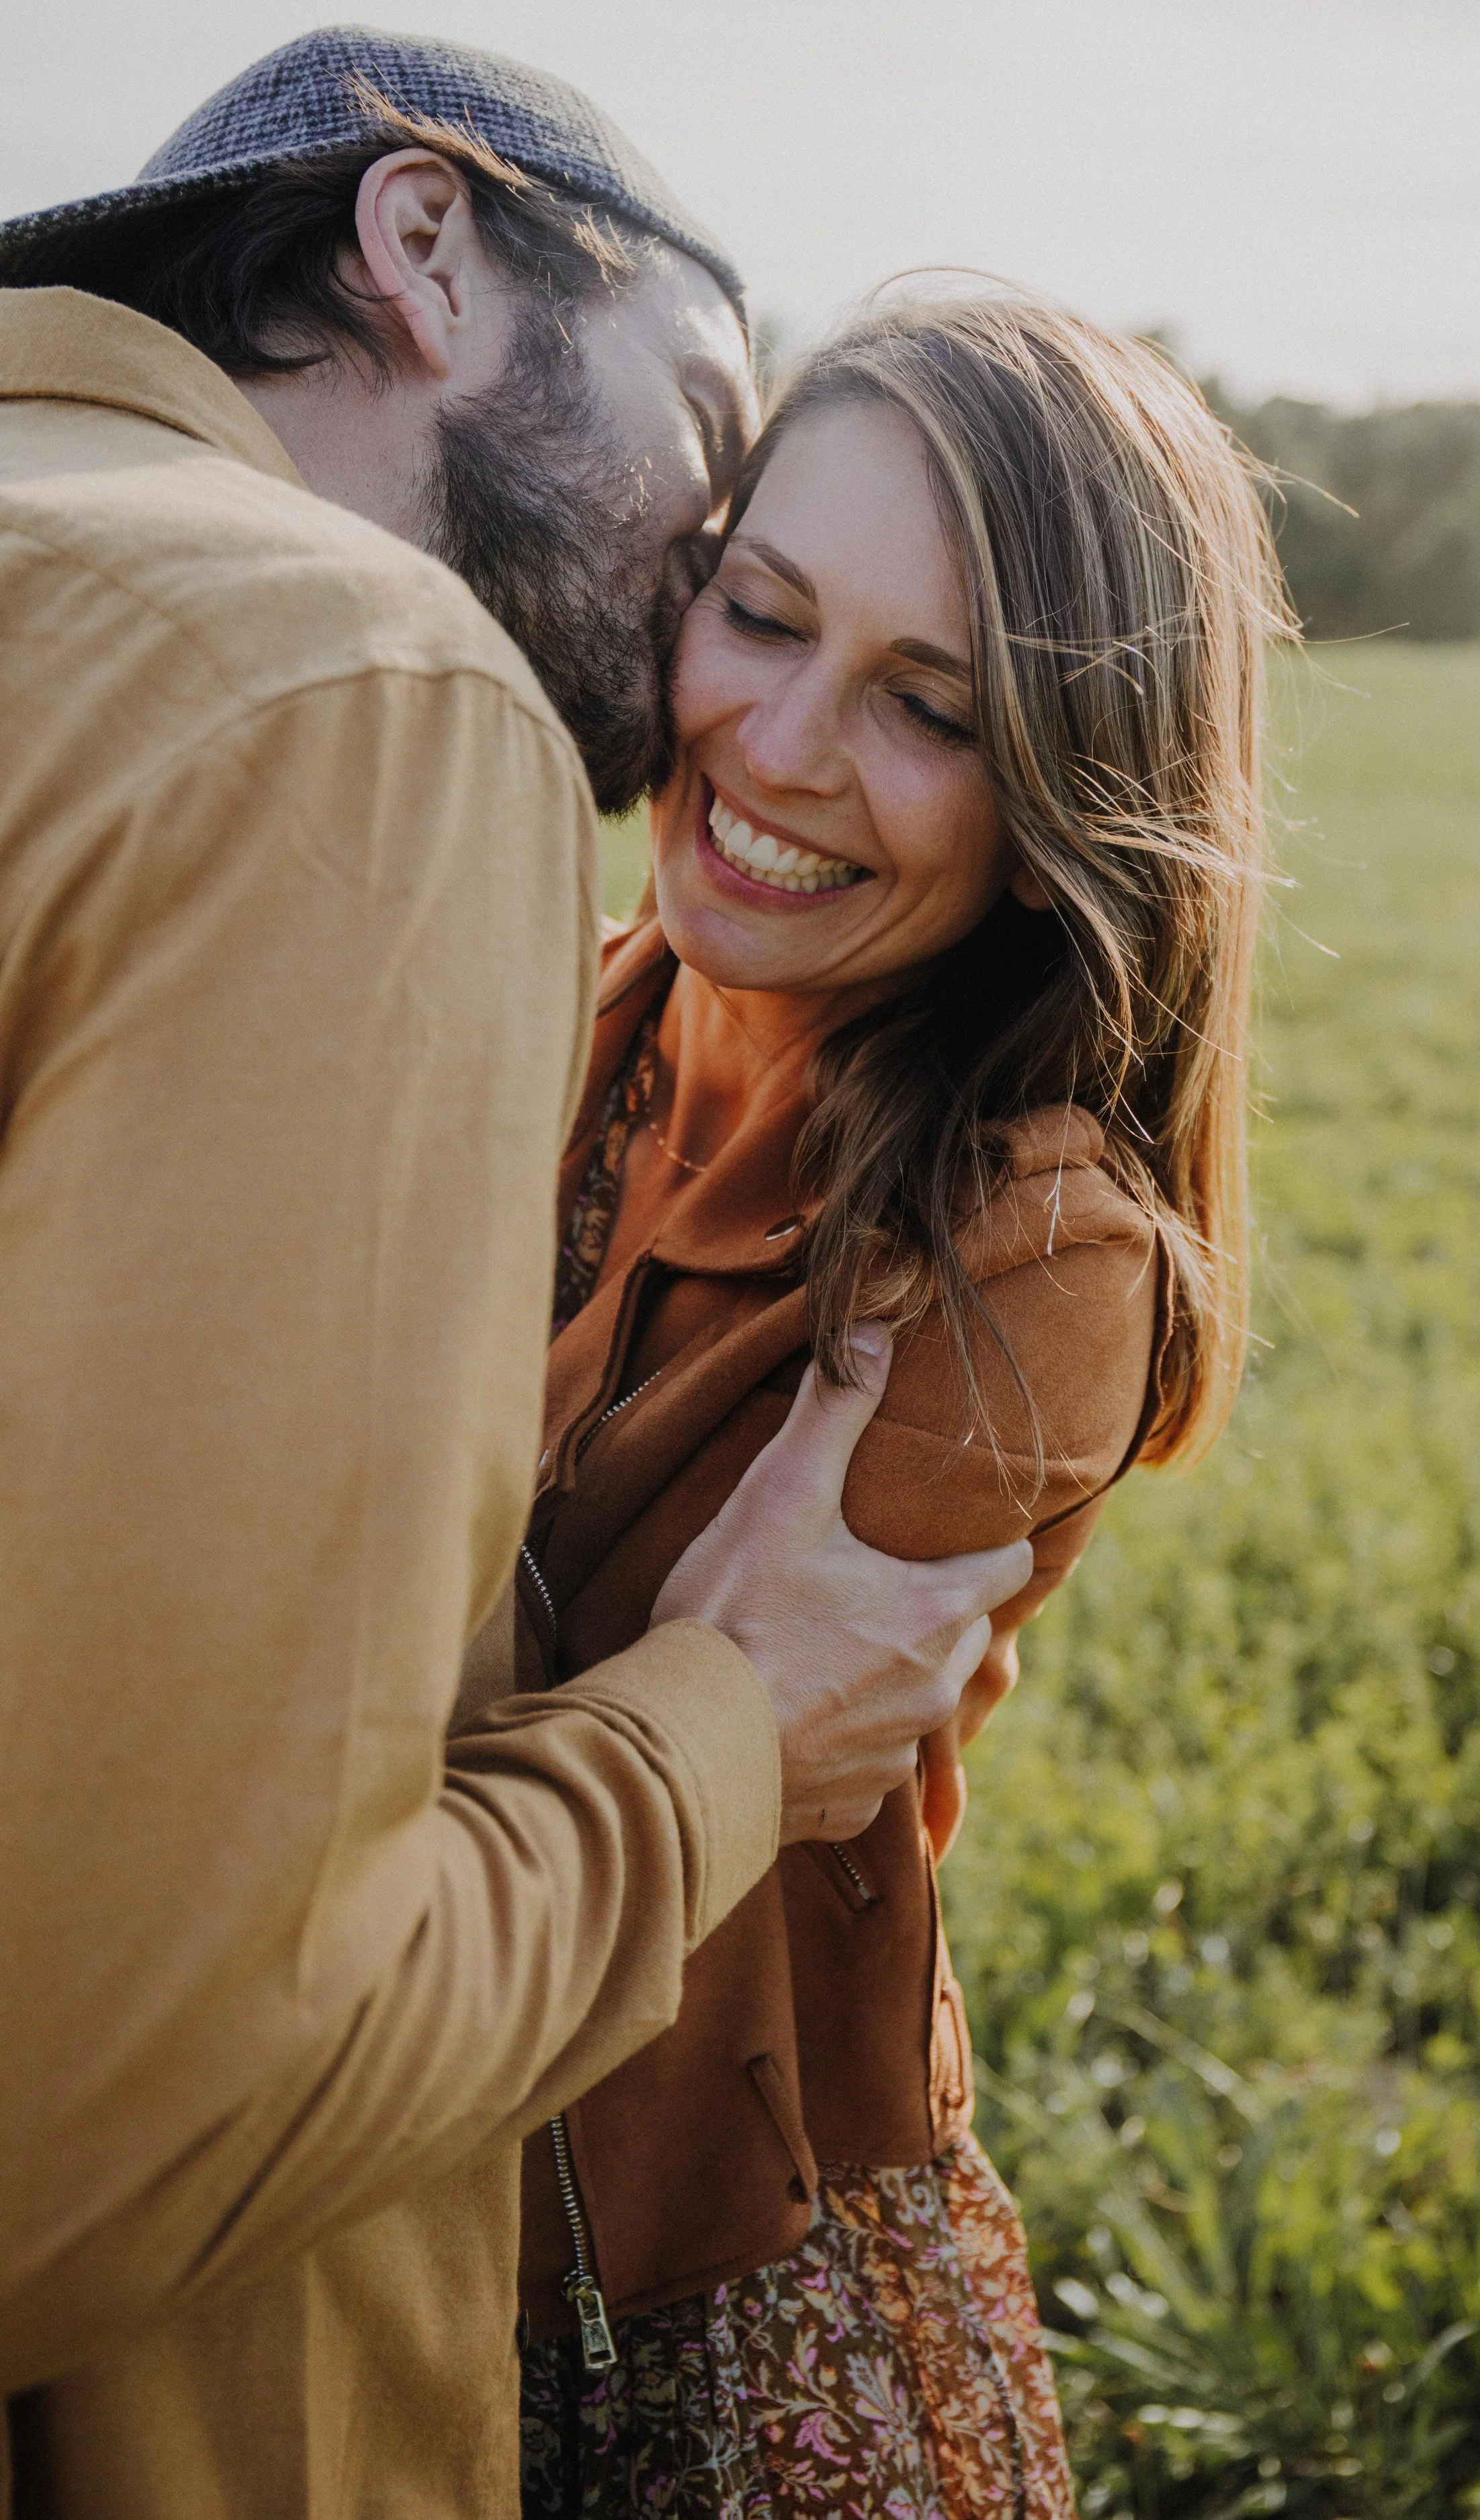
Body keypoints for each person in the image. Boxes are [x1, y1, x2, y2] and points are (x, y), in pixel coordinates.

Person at [0, 34, 1030, 2520]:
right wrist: (731, 1726)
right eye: (704, 423)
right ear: (429, 247)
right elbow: (107, 2103)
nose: (701, 570)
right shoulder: (358, 686)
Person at [511, 296, 1289, 2516]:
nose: (775, 746)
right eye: (761, 614)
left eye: (926, 707)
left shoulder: (1031, 1250)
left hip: (689, 2289)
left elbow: (662, 1756)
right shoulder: (533, 1013)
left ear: (1060, 810)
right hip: (358, 2200)